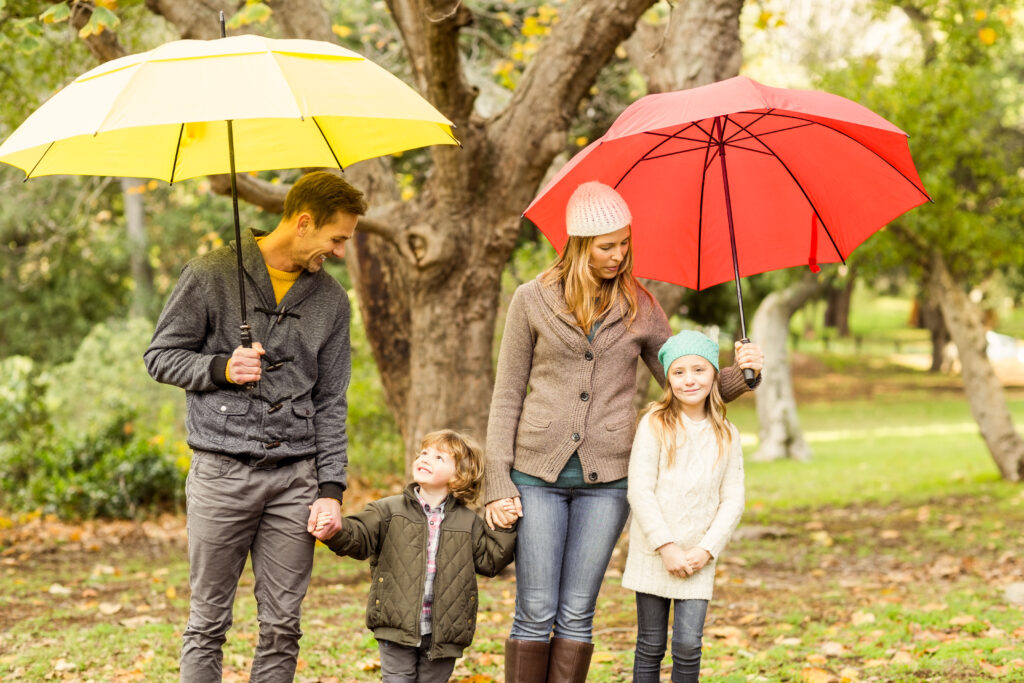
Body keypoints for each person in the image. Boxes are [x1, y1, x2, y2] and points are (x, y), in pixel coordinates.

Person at [483, 181, 763, 683]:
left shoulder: (640, 305)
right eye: (607, 246)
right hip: (535, 477)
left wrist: (744, 373)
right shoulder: (530, 300)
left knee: (576, 612)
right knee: (536, 609)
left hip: (608, 482)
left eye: (624, 243)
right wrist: (498, 482)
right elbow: (506, 395)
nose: (619, 255)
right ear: (577, 244)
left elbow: (683, 379)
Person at [144, 171, 366, 682]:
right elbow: (160, 357)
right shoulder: (209, 275)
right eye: (336, 239)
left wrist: (330, 488)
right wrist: (220, 368)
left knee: (283, 626)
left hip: (295, 480)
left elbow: (332, 400)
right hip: (221, 473)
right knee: (207, 623)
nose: (336, 252)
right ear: (304, 223)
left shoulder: (331, 301)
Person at [315, 430, 517, 683]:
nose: (425, 458)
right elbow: (359, 537)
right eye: (424, 453)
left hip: (445, 635)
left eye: (438, 457)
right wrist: (334, 530)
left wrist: (504, 526)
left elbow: (491, 561)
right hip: (396, 627)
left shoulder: (469, 522)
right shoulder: (388, 510)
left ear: (459, 476)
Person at [623, 330, 745, 682]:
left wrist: (706, 549)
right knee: (650, 644)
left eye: (698, 370)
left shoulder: (727, 433)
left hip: (698, 556)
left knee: (689, 644)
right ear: (668, 378)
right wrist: (666, 547)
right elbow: (641, 490)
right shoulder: (654, 424)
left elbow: (733, 499)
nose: (689, 380)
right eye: (679, 372)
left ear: (714, 375)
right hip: (655, 553)